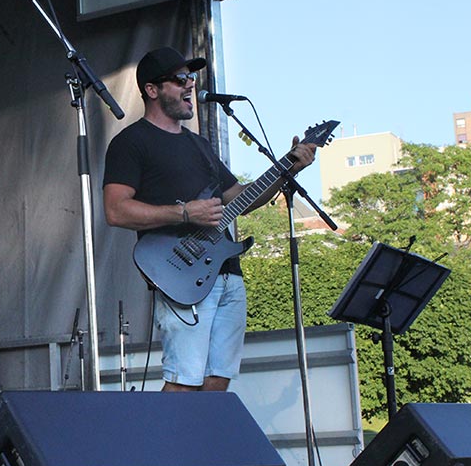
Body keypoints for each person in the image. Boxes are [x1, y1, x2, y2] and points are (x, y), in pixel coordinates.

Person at [102, 46, 317, 393]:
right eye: (181, 79)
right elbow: (116, 210)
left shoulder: (200, 145)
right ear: (152, 90)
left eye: (192, 78)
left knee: (217, 380)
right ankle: (162, 449)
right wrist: (185, 212)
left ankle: (200, 448)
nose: (190, 86)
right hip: (182, 275)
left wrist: (287, 167)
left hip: (228, 274)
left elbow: (239, 200)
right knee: (184, 382)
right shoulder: (131, 142)